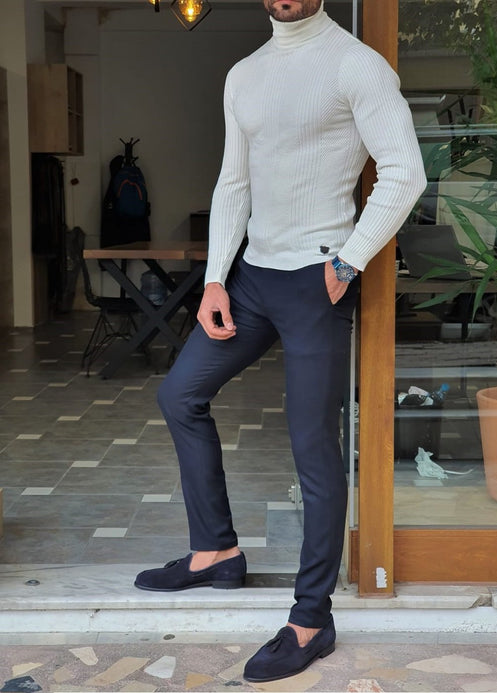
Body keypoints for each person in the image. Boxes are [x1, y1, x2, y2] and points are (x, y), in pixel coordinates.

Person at [134, 0, 426, 682]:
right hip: (251, 280)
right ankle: (216, 552)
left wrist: (348, 261)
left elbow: (404, 172)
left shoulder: (355, 65)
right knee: (180, 395)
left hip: (316, 281)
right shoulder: (245, 73)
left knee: (311, 448)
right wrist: (214, 279)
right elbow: (234, 182)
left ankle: (311, 617)